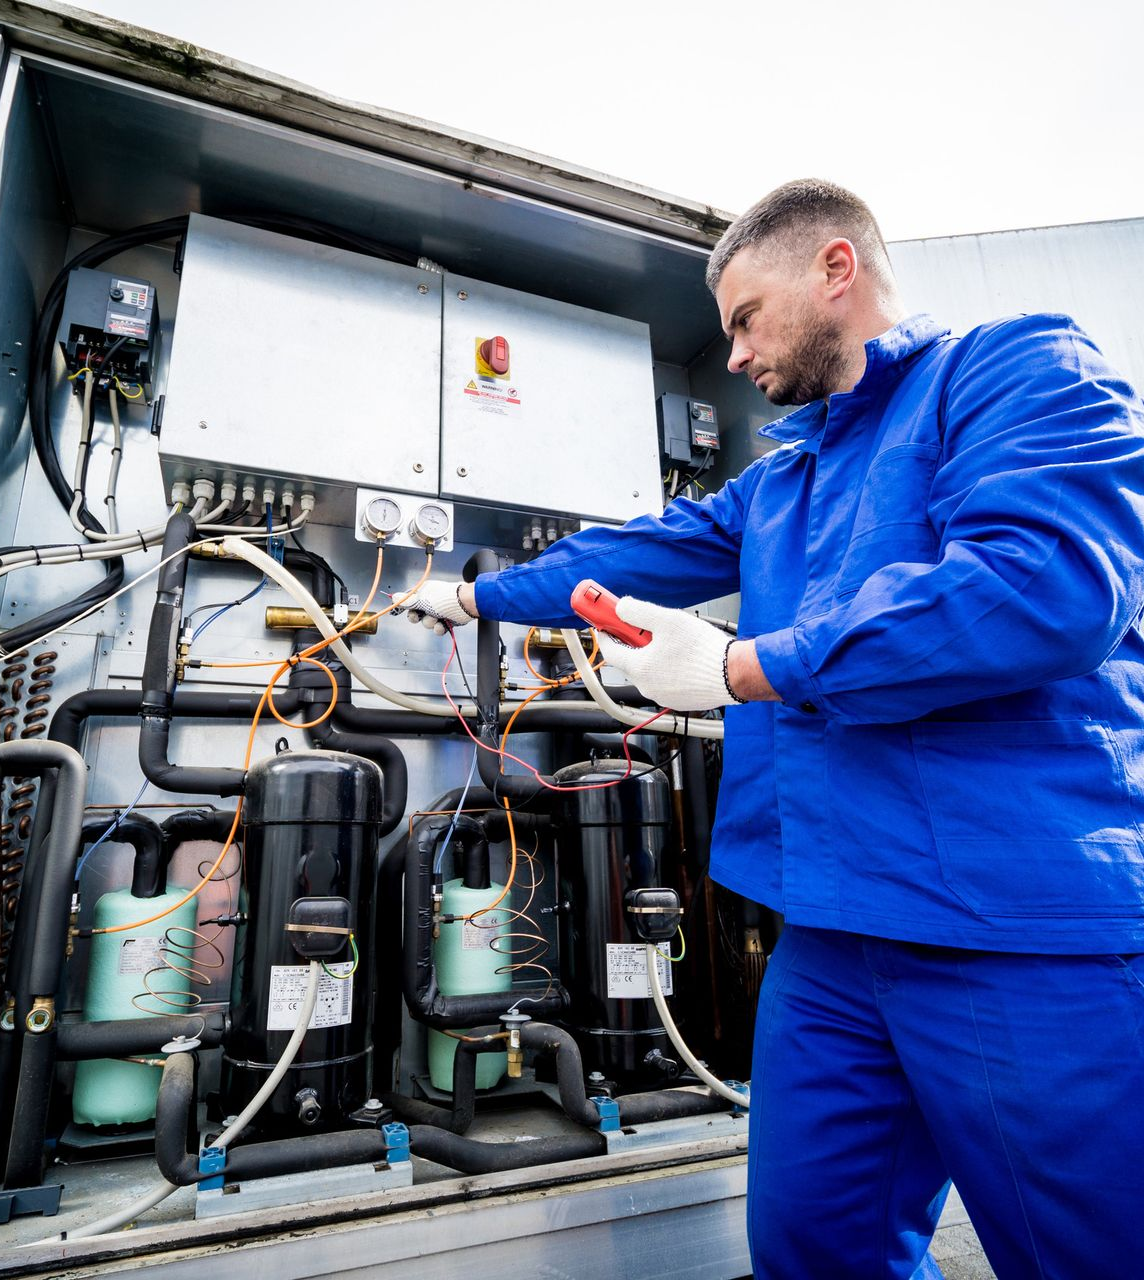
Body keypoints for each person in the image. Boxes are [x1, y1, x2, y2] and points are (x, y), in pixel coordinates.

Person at [400, 179, 1144, 1279]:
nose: (735, 356)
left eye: (744, 319)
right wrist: (473, 598)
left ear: (833, 268)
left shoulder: (1011, 368)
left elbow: (1039, 589)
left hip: (1012, 926)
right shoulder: (782, 479)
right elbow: (637, 552)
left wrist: (742, 667)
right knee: (809, 1245)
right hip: (834, 933)